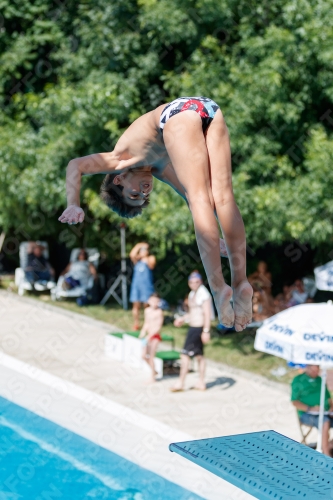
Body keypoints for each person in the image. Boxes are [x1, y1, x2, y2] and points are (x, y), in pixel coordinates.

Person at [58, 96, 253, 331]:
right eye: (143, 197)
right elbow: (198, 203)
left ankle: (219, 287)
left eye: (133, 194)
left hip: (177, 115)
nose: (143, 191)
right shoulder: (159, 167)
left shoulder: (119, 160)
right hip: (209, 109)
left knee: (199, 195)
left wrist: (73, 203)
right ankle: (240, 282)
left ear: (119, 180)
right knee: (222, 197)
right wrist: (216, 239)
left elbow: (75, 165)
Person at [171, 271, 214, 392]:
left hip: (198, 328)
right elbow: (192, 312)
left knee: (184, 355)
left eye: (197, 282)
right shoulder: (192, 294)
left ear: (200, 282)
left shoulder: (204, 295)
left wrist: (206, 330)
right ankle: (201, 382)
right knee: (199, 356)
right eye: (191, 282)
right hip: (193, 326)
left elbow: (207, 313)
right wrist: (182, 319)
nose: (194, 284)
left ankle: (180, 382)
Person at [291, 364, 333, 456]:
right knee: (325, 422)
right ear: (307, 368)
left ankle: (329, 445)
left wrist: (331, 408)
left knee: (326, 419)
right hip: (307, 414)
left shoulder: (320, 380)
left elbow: (329, 398)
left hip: (325, 411)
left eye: (317, 371)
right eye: (313, 371)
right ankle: (326, 455)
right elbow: (294, 402)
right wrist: (310, 408)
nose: (316, 373)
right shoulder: (298, 380)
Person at [129, 242, 156, 330]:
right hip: (136, 285)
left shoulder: (150, 258)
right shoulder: (137, 260)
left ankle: (147, 323)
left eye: (145, 249)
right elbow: (131, 254)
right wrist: (139, 245)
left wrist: (145, 257)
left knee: (147, 305)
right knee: (136, 305)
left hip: (146, 286)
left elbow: (151, 266)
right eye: (142, 250)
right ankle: (136, 323)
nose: (143, 251)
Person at [139, 293, 164, 383]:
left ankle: (152, 377)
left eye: (156, 301)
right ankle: (154, 371)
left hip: (155, 336)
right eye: (152, 301)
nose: (154, 303)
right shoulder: (147, 311)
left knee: (151, 356)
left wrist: (150, 336)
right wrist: (143, 331)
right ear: (149, 301)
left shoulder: (159, 312)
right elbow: (147, 323)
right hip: (148, 336)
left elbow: (158, 327)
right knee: (143, 355)